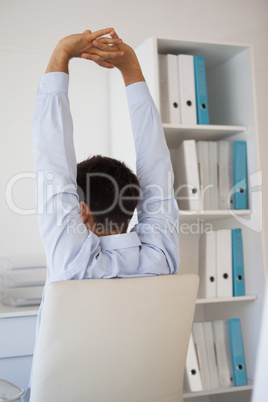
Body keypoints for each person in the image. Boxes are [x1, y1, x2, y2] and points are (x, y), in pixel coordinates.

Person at [23, 28, 179, 401]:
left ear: (82, 213)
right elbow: (157, 167)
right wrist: (131, 71)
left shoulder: (72, 265)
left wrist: (62, 51)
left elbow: (51, 159)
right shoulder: (161, 259)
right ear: (133, 204)